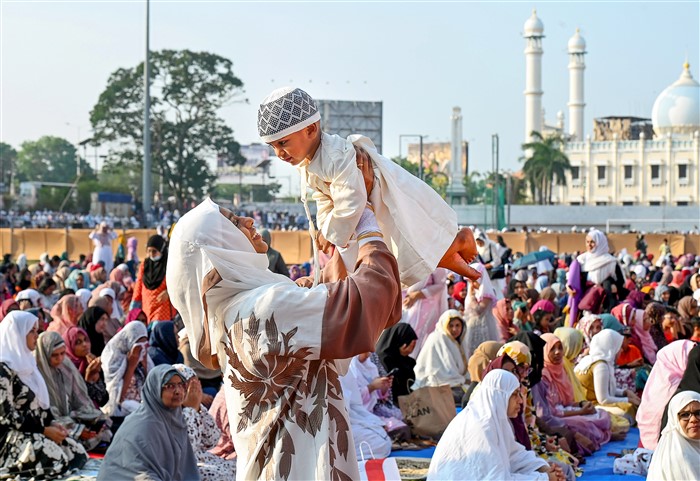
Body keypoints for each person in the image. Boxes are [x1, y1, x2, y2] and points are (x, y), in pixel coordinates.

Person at [166, 196, 402, 480]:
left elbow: (319, 298)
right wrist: (365, 222)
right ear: (220, 248)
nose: (248, 221)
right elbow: (371, 301)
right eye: (233, 222)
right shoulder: (265, 307)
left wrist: (343, 242)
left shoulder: (236, 310)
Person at [258, 86, 480, 286]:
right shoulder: (310, 163)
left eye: (283, 143)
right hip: (372, 207)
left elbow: (351, 201)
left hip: (385, 199)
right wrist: (325, 229)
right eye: (273, 146)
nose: (278, 153)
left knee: (411, 250)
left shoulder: (335, 156)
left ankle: (460, 240)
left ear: (310, 130)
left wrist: (332, 235)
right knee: (406, 258)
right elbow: (324, 200)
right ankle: (451, 258)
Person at [427, 369, 563, 481]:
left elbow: (515, 455)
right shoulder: (481, 427)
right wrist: (544, 478)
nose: (521, 401)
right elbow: (498, 479)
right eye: (515, 395)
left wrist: (543, 469)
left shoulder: (497, 420)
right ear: (499, 396)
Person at [0, 311, 87, 478]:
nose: (36, 335)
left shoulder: (28, 363)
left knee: (76, 452)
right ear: (17, 334)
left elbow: (40, 403)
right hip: (9, 435)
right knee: (56, 459)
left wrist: (52, 424)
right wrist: (43, 430)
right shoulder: (3, 370)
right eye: (31, 331)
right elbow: (6, 417)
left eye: (36, 330)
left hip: (34, 430)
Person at [97, 364, 200, 481]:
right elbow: (138, 472)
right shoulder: (144, 424)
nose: (178, 391)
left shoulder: (175, 418)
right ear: (155, 389)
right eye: (170, 386)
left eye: (181, 385)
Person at [35, 331, 111, 450]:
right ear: (45, 354)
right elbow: (46, 415)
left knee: (101, 427)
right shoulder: (36, 372)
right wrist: (76, 429)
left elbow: (81, 399)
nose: (60, 359)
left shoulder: (66, 366)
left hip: (71, 417)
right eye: (54, 355)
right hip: (51, 424)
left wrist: (92, 420)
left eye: (62, 353)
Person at [538, 333, 612, 453]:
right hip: (555, 417)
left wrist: (581, 405)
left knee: (602, 414)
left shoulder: (561, 369)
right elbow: (550, 412)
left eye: (560, 348)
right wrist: (581, 411)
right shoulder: (543, 375)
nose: (557, 352)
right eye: (552, 349)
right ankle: (605, 437)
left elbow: (565, 401)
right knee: (583, 423)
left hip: (565, 409)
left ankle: (605, 435)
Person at [173, 364, 237, 481]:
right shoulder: (166, 415)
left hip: (201, 458)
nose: (195, 390)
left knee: (237, 468)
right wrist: (191, 409)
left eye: (196, 384)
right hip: (178, 467)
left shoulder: (194, 406)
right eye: (190, 387)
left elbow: (212, 439)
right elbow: (186, 451)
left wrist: (197, 408)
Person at [636, 339, 695, 449]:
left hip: (647, 443)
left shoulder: (659, 382)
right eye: (691, 358)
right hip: (664, 448)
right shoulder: (676, 391)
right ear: (678, 359)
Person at [574, 329, 640, 421]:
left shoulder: (591, 360)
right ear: (610, 347)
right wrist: (628, 400)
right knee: (628, 410)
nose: (620, 351)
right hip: (590, 406)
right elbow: (603, 399)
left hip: (588, 403)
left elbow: (604, 389)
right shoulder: (600, 365)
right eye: (618, 347)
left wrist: (624, 392)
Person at [412, 309, 469, 403]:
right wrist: (463, 381)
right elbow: (445, 373)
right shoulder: (437, 338)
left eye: (457, 325)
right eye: (451, 326)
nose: (455, 329)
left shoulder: (458, 342)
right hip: (438, 385)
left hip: (455, 383)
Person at [339, 363, 392, 461]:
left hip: (354, 419)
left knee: (383, 439)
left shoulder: (344, 367)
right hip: (327, 429)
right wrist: (371, 387)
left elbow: (356, 406)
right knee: (377, 442)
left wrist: (376, 422)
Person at [101, 321, 154, 417]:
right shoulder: (113, 358)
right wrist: (131, 366)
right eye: (138, 344)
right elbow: (117, 398)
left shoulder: (143, 356)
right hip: (123, 408)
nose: (141, 348)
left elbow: (153, 386)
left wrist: (145, 364)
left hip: (142, 404)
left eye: (144, 344)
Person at [646, 391, 700, 481]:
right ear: (675, 419)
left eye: (698, 413)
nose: (693, 419)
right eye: (685, 415)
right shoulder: (677, 456)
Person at [403, 268, 449, 356]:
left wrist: (418, 294)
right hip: (407, 304)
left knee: (422, 338)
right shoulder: (410, 259)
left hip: (427, 308)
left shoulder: (437, 264)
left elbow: (440, 285)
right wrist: (407, 297)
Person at [62, 326, 109, 408]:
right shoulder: (66, 369)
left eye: (85, 340)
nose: (84, 344)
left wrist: (96, 378)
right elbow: (76, 402)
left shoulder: (88, 363)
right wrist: (88, 380)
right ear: (69, 346)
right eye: (78, 342)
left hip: (94, 413)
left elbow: (103, 400)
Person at [132, 234, 175, 323]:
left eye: (154, 251)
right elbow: (139, 285)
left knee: (158, 329)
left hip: (163, 307)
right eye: (149, 251)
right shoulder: (145, 265)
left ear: (161, 250)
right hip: (147, 306)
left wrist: (169, 292)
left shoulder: (169, 264)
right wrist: (134, 305)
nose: (151, 254)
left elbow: (177, 282)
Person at [463, 263, 500, 360]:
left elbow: (478, 310)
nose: (471, 284)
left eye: (473, 280)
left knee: (484, 353)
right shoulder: (474, 291)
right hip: (471, 326)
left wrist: (471, 296)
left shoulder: (486, 293)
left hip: (484, 327)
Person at [376, 323, 418, 404]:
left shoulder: (408, 361)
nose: (412, 349)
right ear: (402, 343)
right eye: (411, 346)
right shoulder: (382, 360)